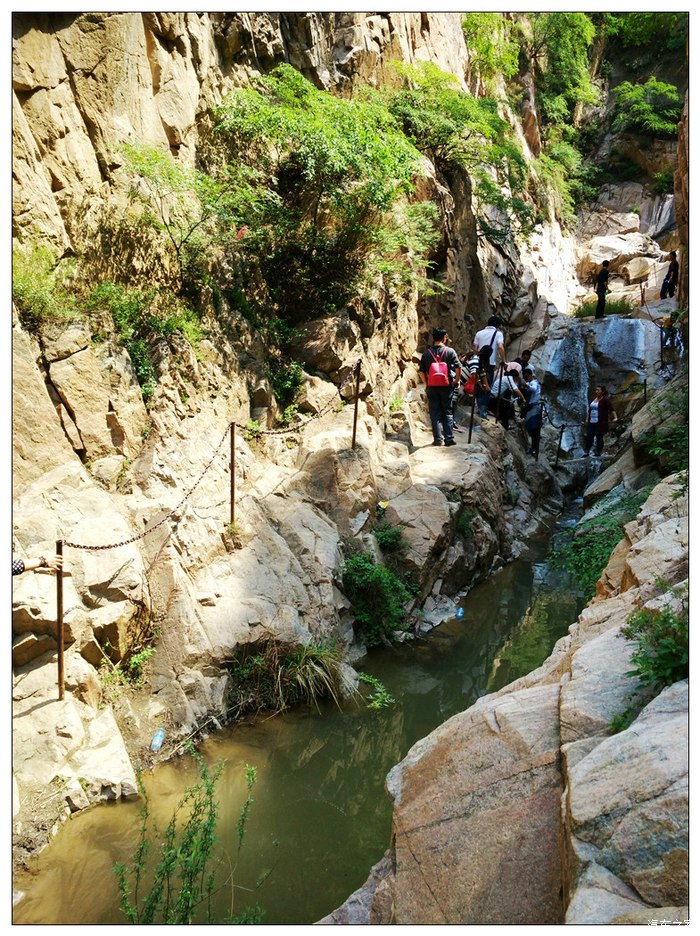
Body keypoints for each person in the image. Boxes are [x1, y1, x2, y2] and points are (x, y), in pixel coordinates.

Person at [419, 327, 461, 446]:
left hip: (432, 387)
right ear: (444, 338)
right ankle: (449, 438)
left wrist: (427, 383)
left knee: (434, 412)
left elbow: (421, 371)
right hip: (446, 386)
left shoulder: (427, 353)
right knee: (447, 411)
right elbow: (458, 367)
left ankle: (438, 439)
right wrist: (456, 380)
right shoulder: (450, 351)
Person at [583, 385, 618, 456]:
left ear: (603, 391)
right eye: (596, 390)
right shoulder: (594, 399)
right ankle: (586, 452)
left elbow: (611, 409)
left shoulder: (605, 399)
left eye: (598, 390)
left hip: (600, 423)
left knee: (599, 438)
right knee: (589, 437)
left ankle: (598, 452)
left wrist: (615, 417)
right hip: (591, 422)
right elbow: (589, 411)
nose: (596, 391)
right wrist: (587, 419)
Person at [473, 315, 505, 383]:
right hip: (489, 363)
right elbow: (500, 347)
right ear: (497, 326)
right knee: (487, 384)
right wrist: (503, 361)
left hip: (478, 363)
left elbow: (475, 349)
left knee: (478, 384)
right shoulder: (498, 334)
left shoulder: (479, 333)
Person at [521, 367, 542, 458]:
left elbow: (533, 389)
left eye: (526, 377)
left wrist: (526, 385)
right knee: (531, 427)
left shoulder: (534, 383)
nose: (526, 378)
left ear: (529, 375)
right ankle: (533, 448)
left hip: (534, 407)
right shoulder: (530, 382)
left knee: (534, 429)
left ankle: (534, 449)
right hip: (530, 407)